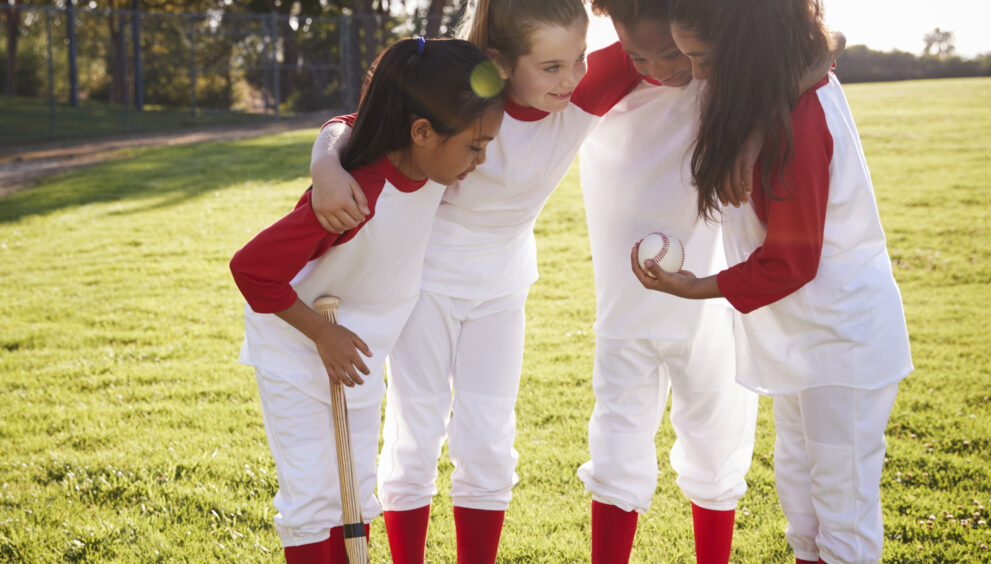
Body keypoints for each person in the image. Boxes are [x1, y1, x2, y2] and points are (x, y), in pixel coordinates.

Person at [308, 1, 647, 561]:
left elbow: (667, 40)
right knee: (416, 434)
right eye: (552, 67)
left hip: (503, 290)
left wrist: (809, 46)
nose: (573, 77)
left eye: (580, 58)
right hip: (422, 285)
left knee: (489, 439)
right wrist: (326, 167)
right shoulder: (459, 95)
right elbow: (349, 125)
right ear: (502, 64)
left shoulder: (580, 92)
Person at [636, 1, 914, 563]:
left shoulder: (801, 122)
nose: (696, 73)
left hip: (843, 342)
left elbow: (793, 262)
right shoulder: (776, 96)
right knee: (800, 491)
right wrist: (757, 126)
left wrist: (699, 287)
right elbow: (816, 49)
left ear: (746, 51)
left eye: (704, 58)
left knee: (843, 510)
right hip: (801, 339)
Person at [229, 36, 504, 563]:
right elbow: (252, 270)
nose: (481, 159)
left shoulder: (428, 166)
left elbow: (350, 120)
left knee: (353, 492)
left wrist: (324, 153)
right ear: (421, 131)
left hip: (354, 352)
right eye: (475, 146)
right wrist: (322, 334)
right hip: (297, 345)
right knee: (312, 497)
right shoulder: (357, 196)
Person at [576, 1, 759, 563]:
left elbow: (822, 44)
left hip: (711, 308)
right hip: (626, 311)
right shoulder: (597, 75)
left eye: (672, 52)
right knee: (616, 447)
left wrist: (748, 138)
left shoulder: (727, 70)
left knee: (717, 448)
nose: (658, 68)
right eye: (638, 55)